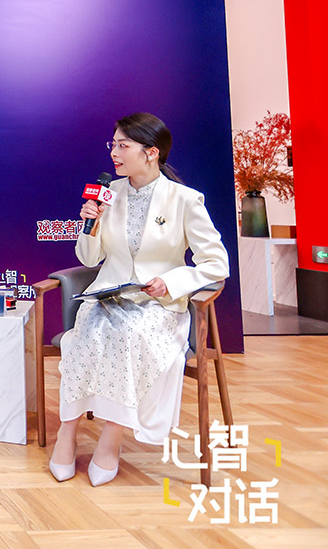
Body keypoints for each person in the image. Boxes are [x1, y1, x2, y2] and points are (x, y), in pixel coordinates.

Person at [50, 113, 229, 486]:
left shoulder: (185, 200)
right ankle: (67, 431)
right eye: (113, 144)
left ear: (151, 152)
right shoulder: (108, 194)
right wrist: (90, 224)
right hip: (107, 298)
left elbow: (216, 263)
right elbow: (88, 259)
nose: (114, 153)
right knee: (84, 336)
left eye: (123, 145)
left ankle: (111, 438)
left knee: (129, 338)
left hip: (155, 306)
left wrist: (171, 281)